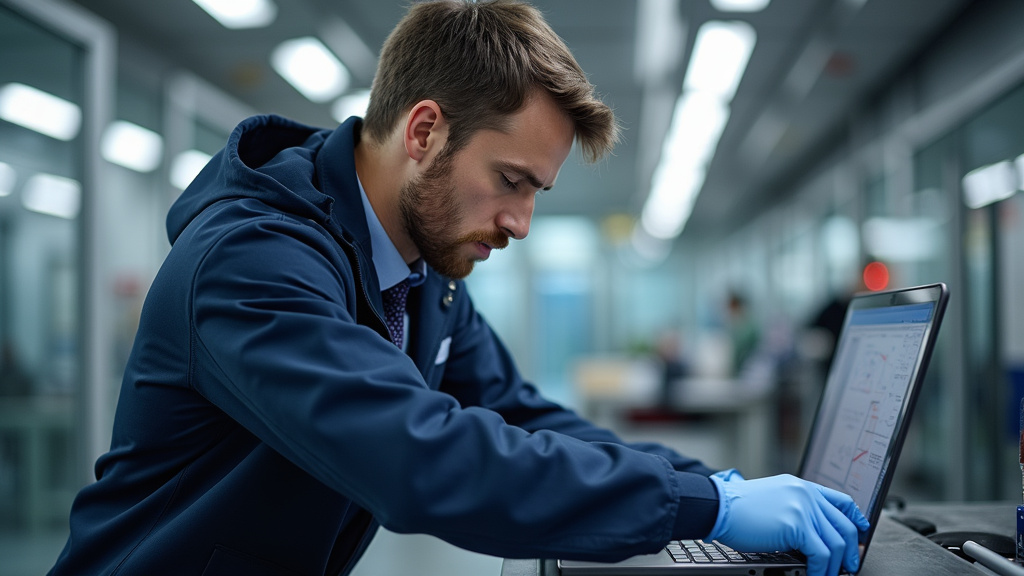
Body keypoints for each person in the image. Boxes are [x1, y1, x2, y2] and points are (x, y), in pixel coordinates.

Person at [48, 2, 867, 576]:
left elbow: (519, 415)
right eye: (510, 180)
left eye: (537, 192)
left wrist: (714, 486)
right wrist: (709, 513)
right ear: (425, 131)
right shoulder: (254, 263)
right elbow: (421, 457)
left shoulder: (421, 274)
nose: (519, 223)